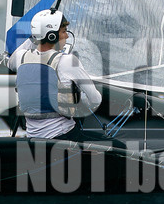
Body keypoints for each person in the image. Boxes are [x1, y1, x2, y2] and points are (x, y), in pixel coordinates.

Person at [9, 8, 103, 142]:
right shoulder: (68, 61)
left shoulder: (20, 58)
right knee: (118, 146)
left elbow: (11, 61)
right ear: (51, 36)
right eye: (64, 31)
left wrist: (36, 36)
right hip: (64, 136)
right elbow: (95, 99)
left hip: (32, 138)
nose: (67, 36)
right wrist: (77, 104)